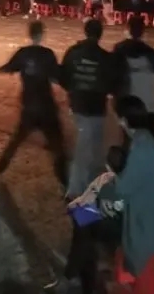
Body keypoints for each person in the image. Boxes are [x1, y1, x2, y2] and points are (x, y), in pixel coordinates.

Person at [63, 96, 154, 292]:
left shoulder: (140, 149)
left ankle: (76, 278)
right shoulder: (148, 140)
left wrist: (106, 179)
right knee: (86, 218)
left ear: (123, 119)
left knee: (82, 219)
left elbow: (121, 191)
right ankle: (75, 275)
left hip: (144, 235)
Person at [0, 21, 68, 187]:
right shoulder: (48, 54)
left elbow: (7, 68)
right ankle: (65, 181)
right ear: (41, 34)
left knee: (16, 140)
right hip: (46, 106)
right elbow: (57, 77)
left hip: (29, 105)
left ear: (30, 34)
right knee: (58, 144)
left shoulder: (23, 53)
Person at [108, 16, 154, 175]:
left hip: (127, 104)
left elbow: (112, 76)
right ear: (143, 31)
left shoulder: (119, 50)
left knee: (127, 138)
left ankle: (124, 171)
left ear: (127, 29)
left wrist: (113, 97)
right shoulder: (149, 52)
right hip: (148, 104)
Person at [60, 19, 113, 197]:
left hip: (78, 105)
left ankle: (88, 187)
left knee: (88, 146)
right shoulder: (105, 57)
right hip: (96, 108)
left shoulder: (73, 52)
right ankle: (78, 190)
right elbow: (110, 83)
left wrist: (75, 90)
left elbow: (63, 78)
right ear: (100, 34)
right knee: (90, 148)